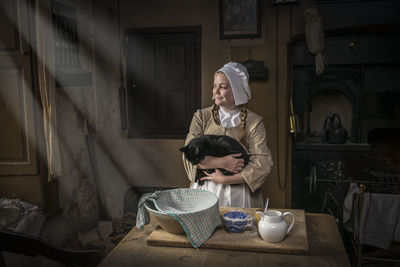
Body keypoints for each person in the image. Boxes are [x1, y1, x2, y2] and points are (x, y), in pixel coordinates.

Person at [182, 62, 273, 208]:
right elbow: (187, 156)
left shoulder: (253, 122)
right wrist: (222, 163)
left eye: (223, 87)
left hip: (239, 194)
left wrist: (226, 180)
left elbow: (263, 163)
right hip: (205, 190)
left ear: (237, 90)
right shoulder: (201, 117)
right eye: (214, 85)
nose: (216, 91)